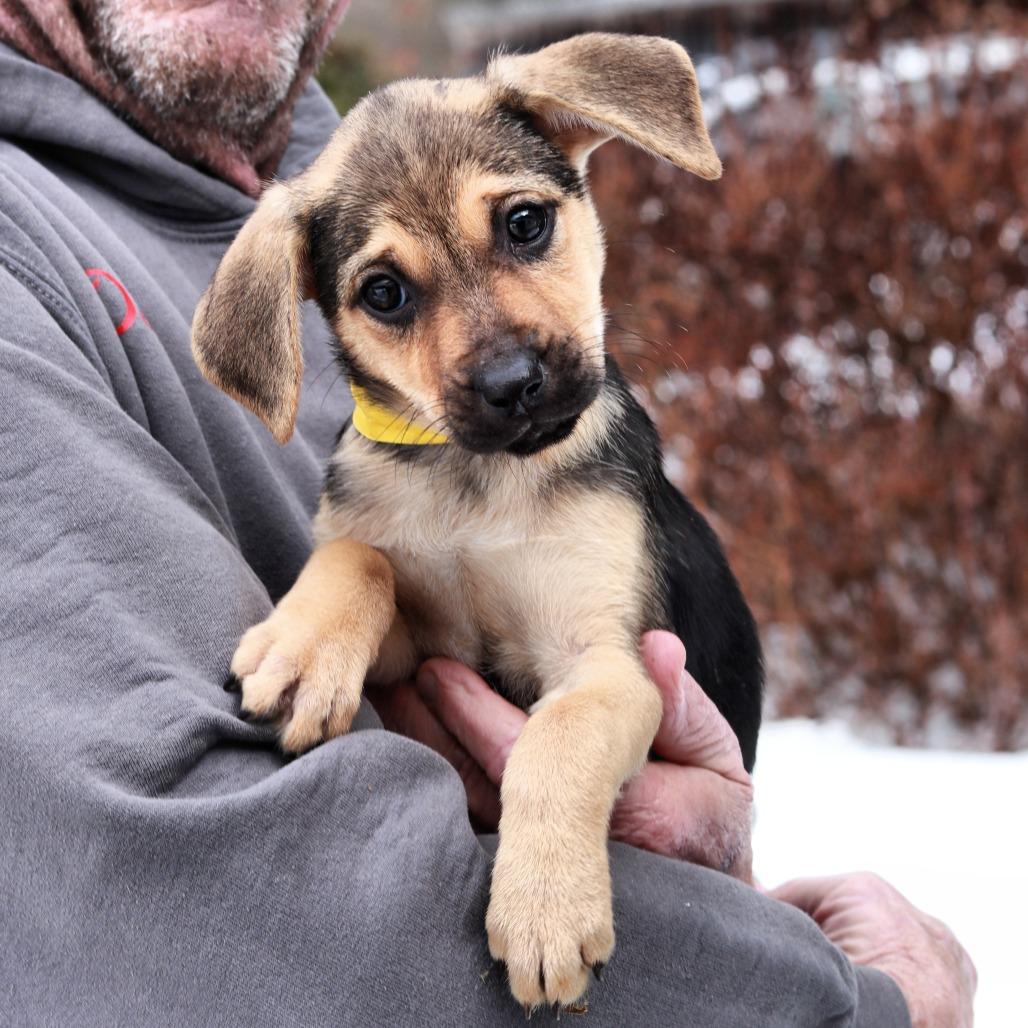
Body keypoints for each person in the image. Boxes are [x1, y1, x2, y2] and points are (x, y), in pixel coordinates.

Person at [0, 2, 974, 1025]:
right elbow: (218, 896)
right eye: (389, 295)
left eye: (521, 228)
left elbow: (615, 685)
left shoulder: (358, 163)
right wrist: (854, 1005)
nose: (500, 356)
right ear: (312, 308)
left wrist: (692, 886)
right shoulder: (56, 258)